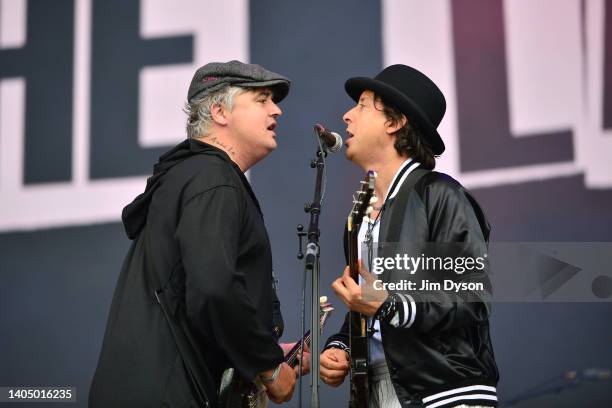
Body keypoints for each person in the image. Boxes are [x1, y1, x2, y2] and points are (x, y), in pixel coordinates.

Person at [89, 60, 307, 407]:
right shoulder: (212, 178)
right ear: (220, 112)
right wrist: (268, 367)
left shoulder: (192, 176)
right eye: (262, 99)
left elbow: (193, 301)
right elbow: (213, 286)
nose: (277, 110)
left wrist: (257, 350)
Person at [319, 65, 499, 408]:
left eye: (361, 105)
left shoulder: (440, 195)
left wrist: (388, 304)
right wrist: (340, 346)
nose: (346, 116)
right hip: (378, 388)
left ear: (394, 122)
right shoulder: (359, 217)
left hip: (443, 392)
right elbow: (369, 305)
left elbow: (473, 296)